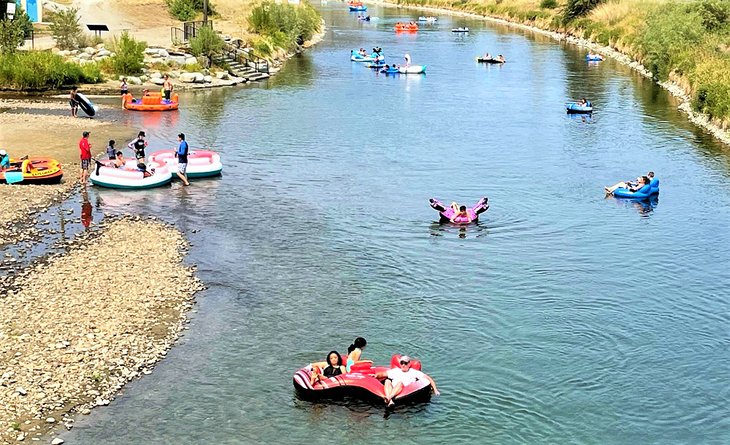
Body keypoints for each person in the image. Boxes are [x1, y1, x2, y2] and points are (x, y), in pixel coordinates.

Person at [372, 356, 439, 407]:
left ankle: (388, 398)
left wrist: (435, 390)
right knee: (387, 381)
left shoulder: (414, 372)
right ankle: (390, 401)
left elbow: (428, 378)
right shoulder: (395, 371)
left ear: (409, 364)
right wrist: (376, 376)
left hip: (403, 389)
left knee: (400, 383)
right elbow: (383, 374)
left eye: (405, 363)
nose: (403, 365)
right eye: (401, 363)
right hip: (392, 388)